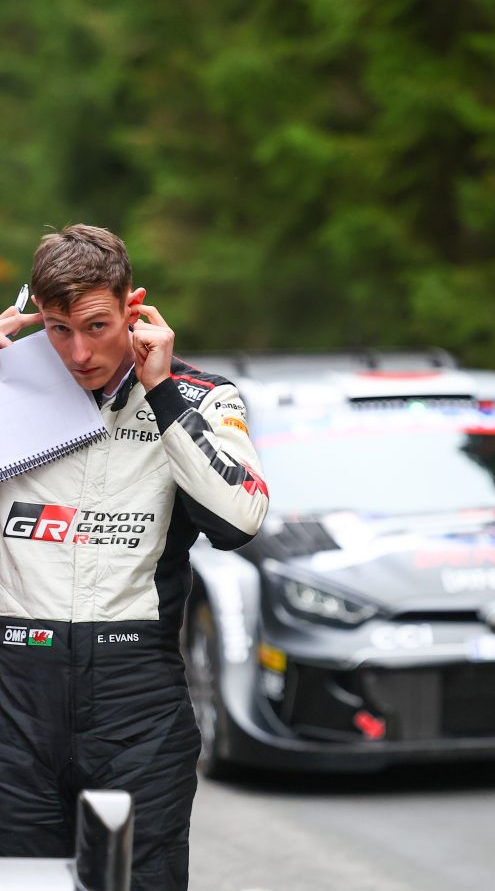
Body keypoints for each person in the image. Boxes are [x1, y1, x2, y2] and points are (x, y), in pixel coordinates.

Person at [0, 225, 268, 889]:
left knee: (140, 881)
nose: (79, 351)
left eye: (96, 325)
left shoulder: (200, 396)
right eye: (59, 330)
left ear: (133, 307)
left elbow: (241, 520)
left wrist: (163, 391)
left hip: (135, 695)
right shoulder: (8, 389)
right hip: (14, 689)